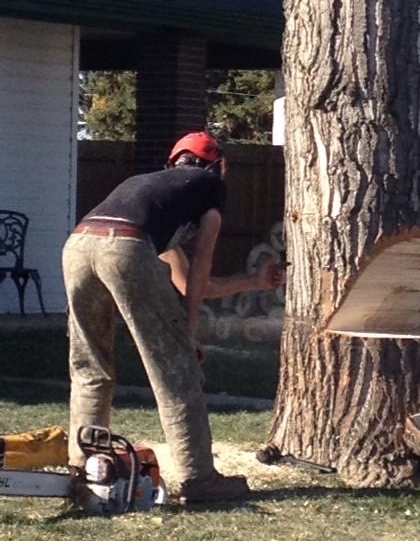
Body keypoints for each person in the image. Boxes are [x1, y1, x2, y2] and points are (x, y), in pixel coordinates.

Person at [62, 131, 285, 505]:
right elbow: (201, 263)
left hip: (79, 245)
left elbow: (182, 282)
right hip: (125, 246)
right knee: (176, 369)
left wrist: (253, 282)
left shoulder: (153, 194)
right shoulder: (209, 184)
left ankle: (85, 470)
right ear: (220, 165)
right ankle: (200, 480)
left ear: (173, 162)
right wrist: (189, 332)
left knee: (90, 366)